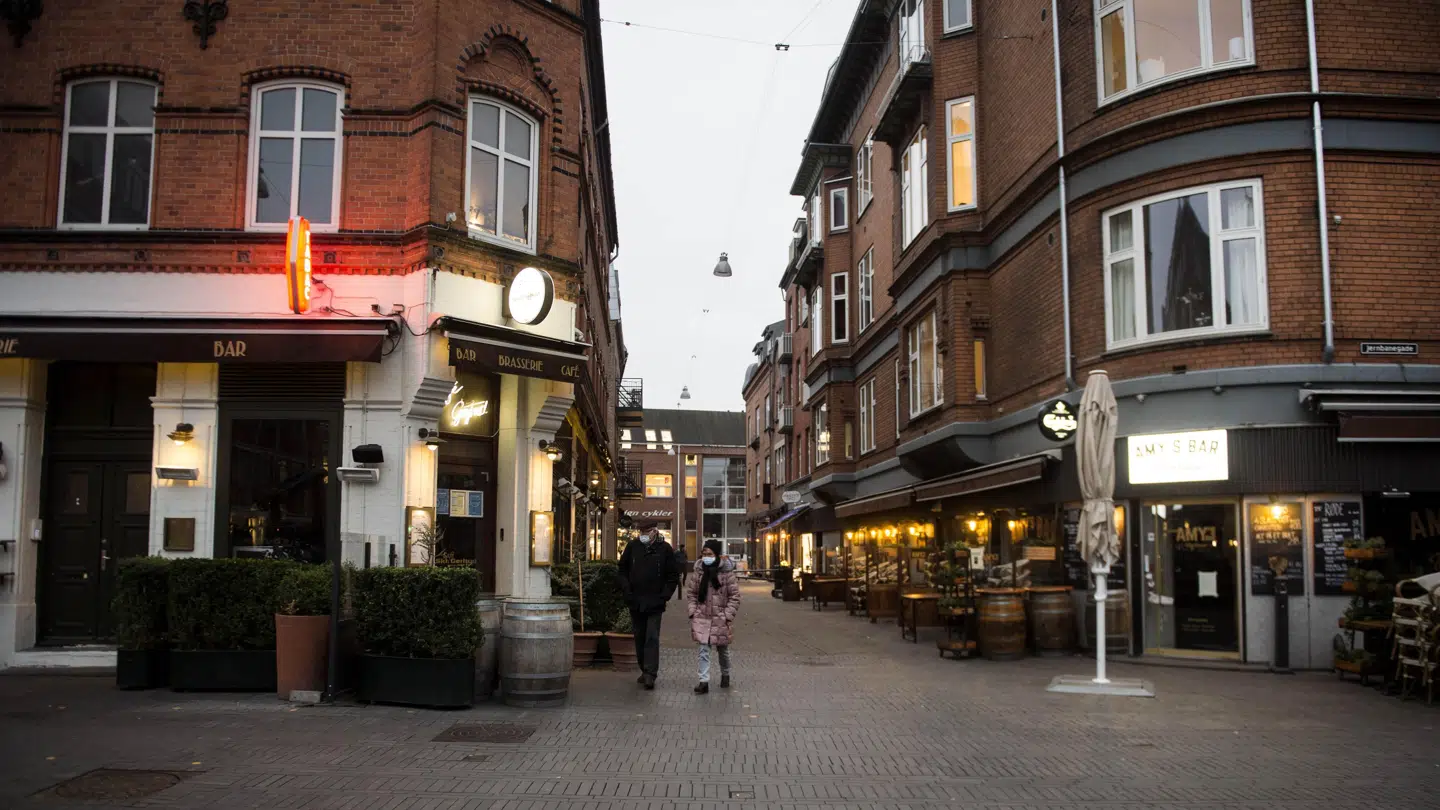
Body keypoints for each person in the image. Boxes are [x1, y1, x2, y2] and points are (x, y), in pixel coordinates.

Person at [618, 523, 678, 690]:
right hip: (635, 600)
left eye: (646, 531)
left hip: (655, 602)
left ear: (654, 532)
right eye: (641, 532)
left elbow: (672, 575)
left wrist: (664, 596)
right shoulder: (633, 547)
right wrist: (627, 590)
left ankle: (650, 673)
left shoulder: (664, 549)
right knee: (639, 636)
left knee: (652, 637)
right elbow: (622, 569)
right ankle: (644, 669)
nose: (643, 534)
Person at [685, 539, 741, 694]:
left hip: (720, 617)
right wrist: (693, 611)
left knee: (723, 650)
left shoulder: (726, 574)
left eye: (709, 554)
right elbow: (691, 594)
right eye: (704, 554)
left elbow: (735, 596)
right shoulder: (699, 573)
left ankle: (726, 674)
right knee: (703, 649)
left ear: (716, 555)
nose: (706, 557)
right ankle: (704, 681)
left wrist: (726, 615)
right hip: (702, 616)